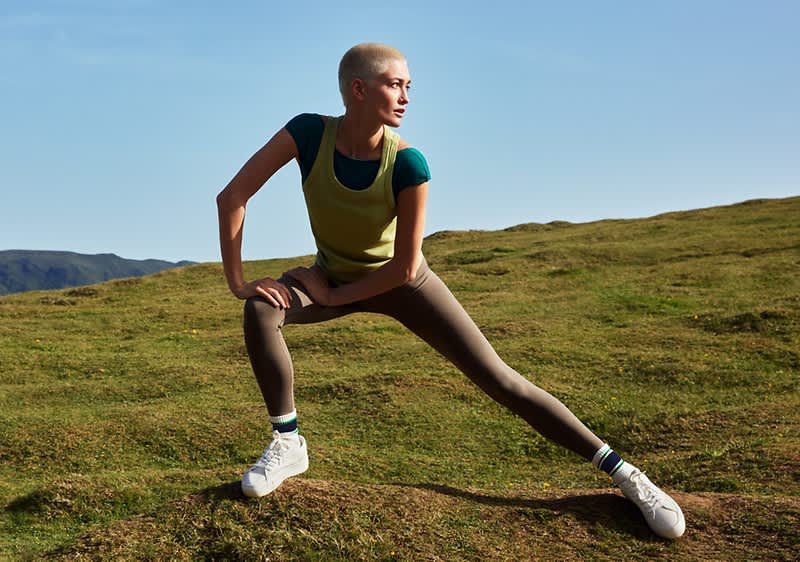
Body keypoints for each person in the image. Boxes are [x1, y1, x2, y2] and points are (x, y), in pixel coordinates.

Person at [216, 43, 685, 539]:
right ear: (359, 89)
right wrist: (241, 283)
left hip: (402, 283)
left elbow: (401, 267)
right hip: (331, 276)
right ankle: (288, 444)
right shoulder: (309, 134)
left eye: (408, 87)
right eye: (395, 84)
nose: (405, 97)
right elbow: (233, 196)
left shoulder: (408, 164)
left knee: (501, 380)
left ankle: (625, 473)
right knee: (261, 311)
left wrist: (332, 297)